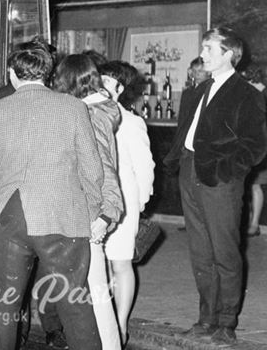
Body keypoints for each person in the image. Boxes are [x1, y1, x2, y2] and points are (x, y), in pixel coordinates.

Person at [0, 40, 104, 350]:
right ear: (48, 75)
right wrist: (90, 211)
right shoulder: (74, 108)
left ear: (12, 75)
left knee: (4, 307)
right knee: (74, 303)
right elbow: (92, 171)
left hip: (12, 216)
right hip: (61, 217)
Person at [164, 27, 267, 345]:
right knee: (200, 253)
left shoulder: (246, 94)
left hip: (220, 180)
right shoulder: (196, 89)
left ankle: (226, 322)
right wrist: (179, 162)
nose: (203, 53)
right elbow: (186, 131)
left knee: (224, 253)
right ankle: (206, 318)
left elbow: (255, 145)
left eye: (209, 48)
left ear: (229, 54)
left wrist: (227, 172)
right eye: (204, 47)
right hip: (189, 174)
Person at [51, 54, 124, 350]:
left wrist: (106, 215)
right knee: (93, 294)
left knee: (94, 296)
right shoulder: (97, 112)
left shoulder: (90, 117)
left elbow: (103, 168)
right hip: (87, 212)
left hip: (88, 215)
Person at [99, 61, 155, 345]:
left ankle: (120, 325)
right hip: (94, 203)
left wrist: (138, 204)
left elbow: (145, 168)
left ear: (120, 89)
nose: (101, 85)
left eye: (108, 81)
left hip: (123, 203)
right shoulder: (85, 115)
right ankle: (104, 321)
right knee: (99, 267)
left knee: (120, 264)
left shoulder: (131, 122)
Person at [241, 66, 267, 237]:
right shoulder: (250, 94)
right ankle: (250, 221)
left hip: (261, 146)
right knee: (247, 185)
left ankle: (254, 223)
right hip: (248, 145)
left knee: (255, 185)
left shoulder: (261, 94)